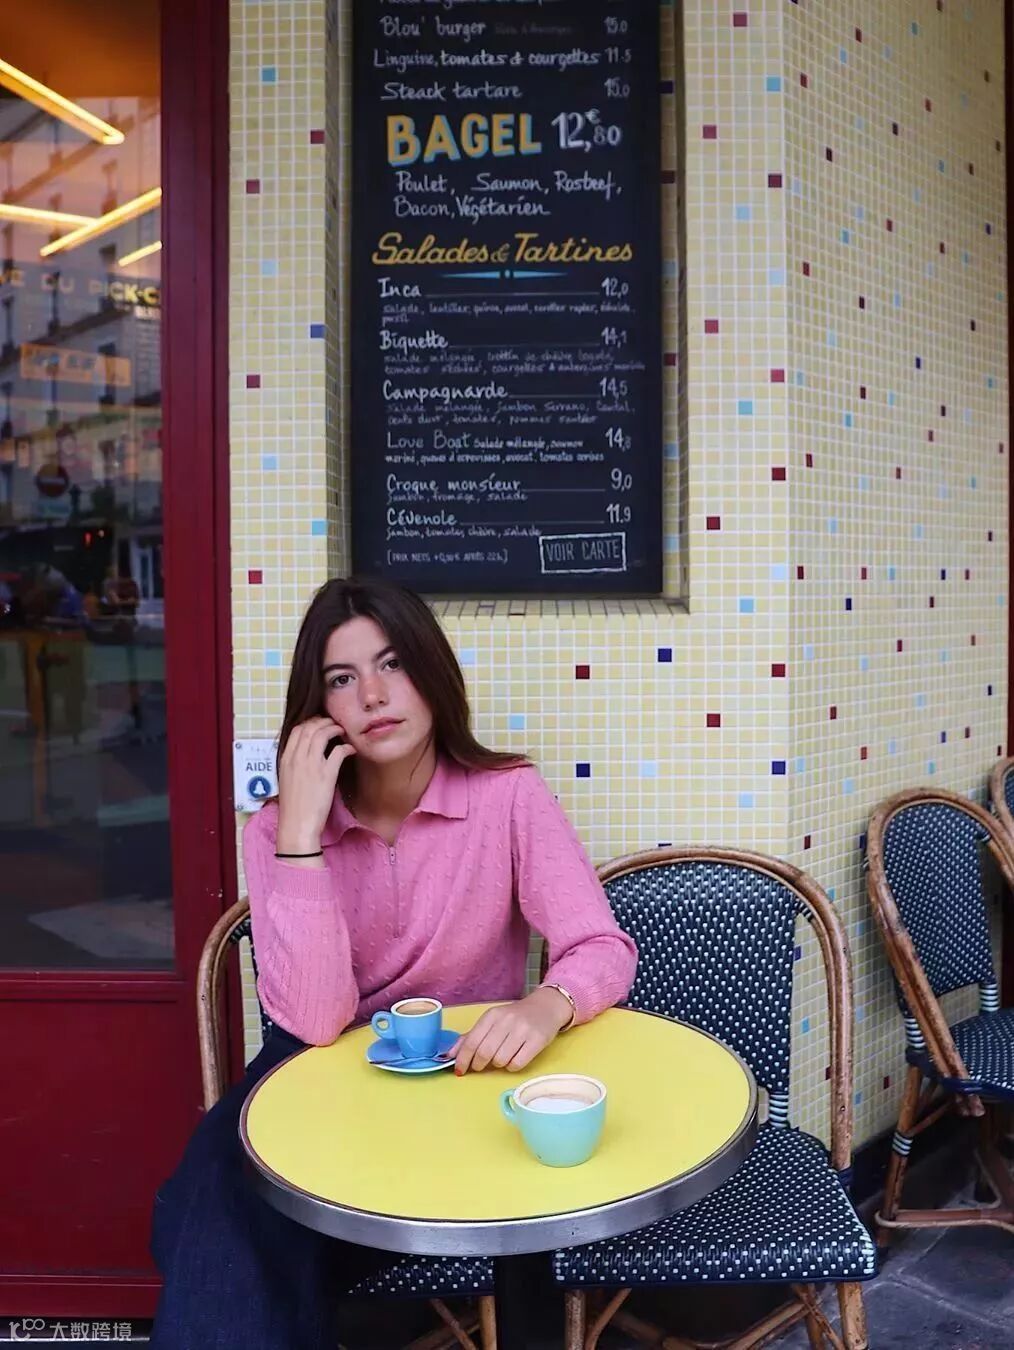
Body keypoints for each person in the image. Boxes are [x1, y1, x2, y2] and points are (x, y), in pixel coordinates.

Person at [149, 576, 638, 1350]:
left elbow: (601, 946)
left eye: (392, 664)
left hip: (462, 1081)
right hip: (313, 1081)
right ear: (319, 709)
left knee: (207, 1232)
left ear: (430, 671)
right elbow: (314, 1023)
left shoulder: (507, 795)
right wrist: (301, 836)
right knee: (218, 1213)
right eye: (342, 679)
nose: (373, 695)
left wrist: (546, 1005)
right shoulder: (278, 830)